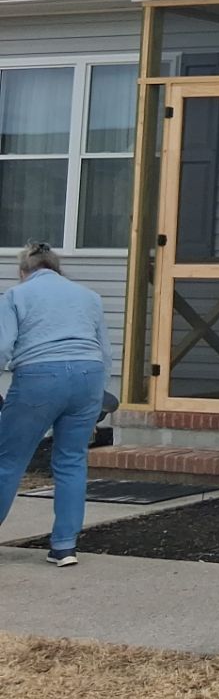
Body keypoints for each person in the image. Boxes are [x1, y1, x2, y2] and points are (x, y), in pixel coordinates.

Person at [0, 242, 110, 567]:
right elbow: (105, 352)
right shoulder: (90, 297)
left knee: (8, 460)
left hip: (39, 376)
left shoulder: (16, 296)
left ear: (24, 271)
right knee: (72, 460)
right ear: (58, 268)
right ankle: (64, 546)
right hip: (89, 375)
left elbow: (3, 345)